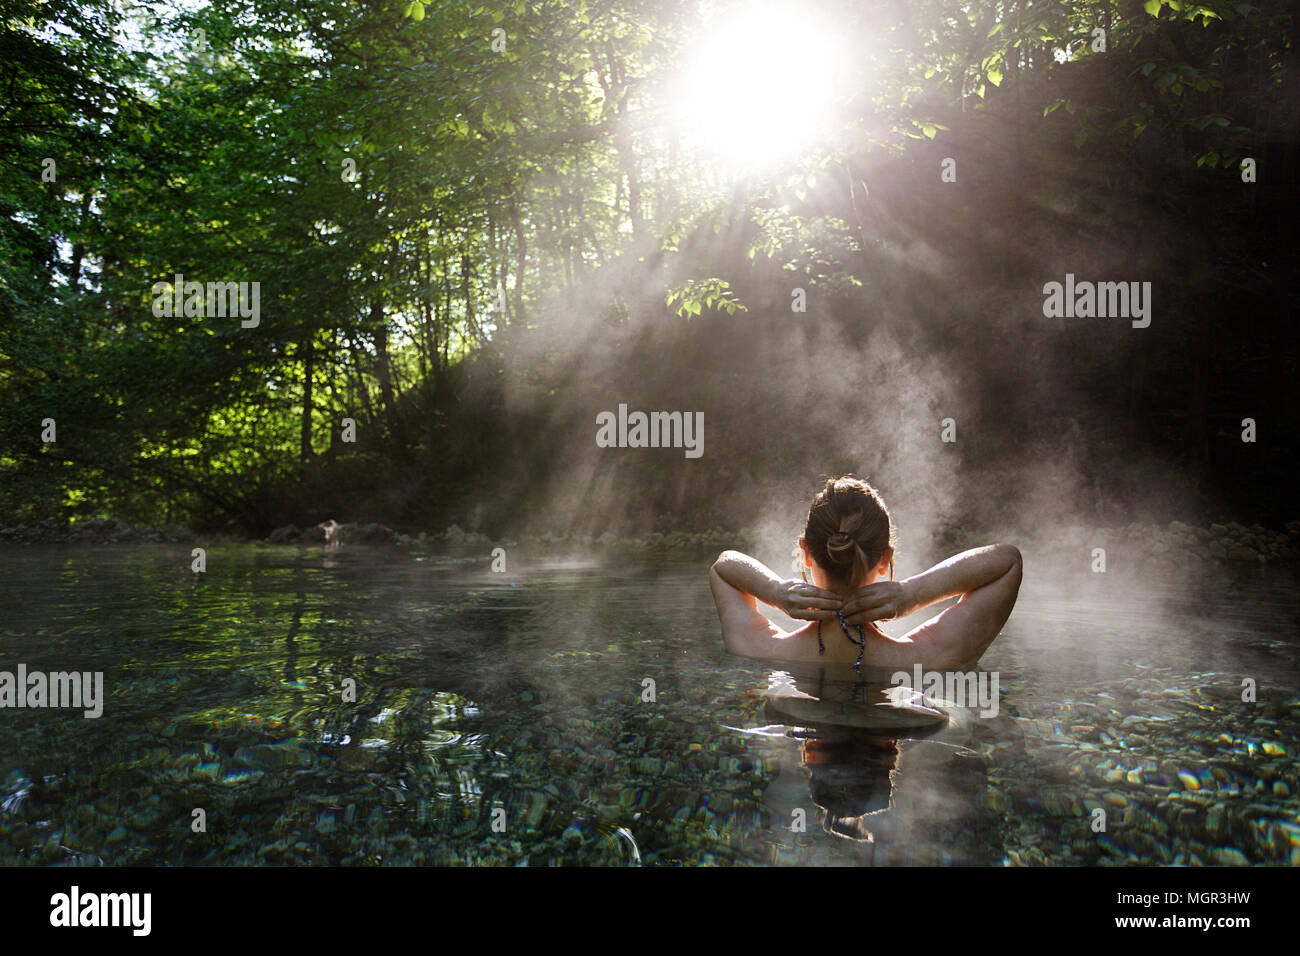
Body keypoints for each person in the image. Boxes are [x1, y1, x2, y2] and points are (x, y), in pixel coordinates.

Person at [709, 476, 1022, 672]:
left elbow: (724, 566)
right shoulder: (927, 658)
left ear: (805, 553)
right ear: (885, 558)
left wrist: (775, 591)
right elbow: (1008, 562)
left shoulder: (763, 650)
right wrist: (913, 594)